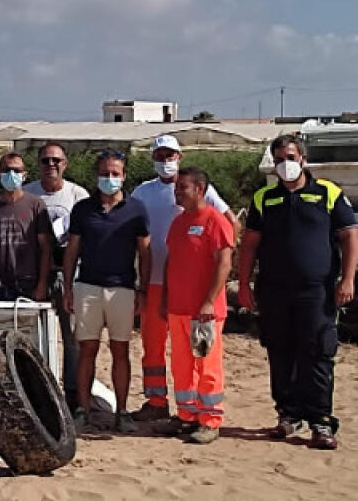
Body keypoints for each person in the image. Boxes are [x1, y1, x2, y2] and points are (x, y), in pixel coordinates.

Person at [238, 134, 358, 450]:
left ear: (302, 159)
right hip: (274, 291)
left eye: (290, 157)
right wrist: (244, 285)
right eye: (278, 159)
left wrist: (347, 280)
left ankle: (320, 421)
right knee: (280, 352)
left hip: (316, 291)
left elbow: (349, 236)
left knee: (317, 354)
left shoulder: (328, 193)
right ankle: (288, 416)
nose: (285, 164)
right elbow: (249, 244)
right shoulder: (264, 198)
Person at [130, 135, 238, 422]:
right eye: (160, 155)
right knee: (160, 349)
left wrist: (215, 283)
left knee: (202, 356)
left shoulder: (209, 206)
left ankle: (209, 416)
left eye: (170, 155)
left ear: (180, 157)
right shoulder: (145, 194)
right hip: (161, 286)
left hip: (199, 297)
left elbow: (229, 234)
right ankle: (160, 402)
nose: (165, 161)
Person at [63, 151, 151, 433]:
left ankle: (122, 412)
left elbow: (145, 252)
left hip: (122, 288)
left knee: (120, 350)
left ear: (124, 176)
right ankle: (82, 409)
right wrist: (68, 287)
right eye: (104, 173)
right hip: (87, 286)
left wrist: (143, 289)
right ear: (96, 175)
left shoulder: (137, 209)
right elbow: (72, 250)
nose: (109, 179)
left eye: (115, 173)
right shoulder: (82, 209)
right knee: (86, 349)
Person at [158, 168, 234, 445]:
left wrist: (209, 301)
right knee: (181, 365)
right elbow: (171, 261)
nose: (177, 192)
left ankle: (210, 419)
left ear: (200, 189)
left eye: (183, 187)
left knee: (206, 364)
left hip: (203, 312)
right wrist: (165, 298)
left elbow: (224, 263)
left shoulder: (215, 221)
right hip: (178, 308)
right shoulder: (179, 222)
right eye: (177, 187)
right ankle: (186, 416)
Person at [25, 142, 89, 410]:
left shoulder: (78, 195)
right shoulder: (28, 193)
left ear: (65, 164)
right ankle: (35, 391)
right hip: (34, 273)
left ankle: (73, 392)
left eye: (56, 160)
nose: (51, 165)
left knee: (72, 336)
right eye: (45, 160)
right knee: (32, 335)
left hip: (69, 275)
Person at [0, 153, 52, 302]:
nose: (11, 174)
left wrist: (42, 284)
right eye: (7, 170)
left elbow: (45, 248)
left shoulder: (36, 205)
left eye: (16, 171)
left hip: (27, 284)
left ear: (24, 175)